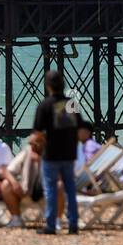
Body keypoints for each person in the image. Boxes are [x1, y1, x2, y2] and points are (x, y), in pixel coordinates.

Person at [32, 69, 80, 235]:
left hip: (51, 153)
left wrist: (36, 143)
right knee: (70, 188)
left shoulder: (44, 105)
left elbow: (37, 132)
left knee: (50, 189)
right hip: (69, 152)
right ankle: (73, 224)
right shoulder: (71, 104)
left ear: (47, 86)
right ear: (63, 84)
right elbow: (78, 129)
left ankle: (51, 225)